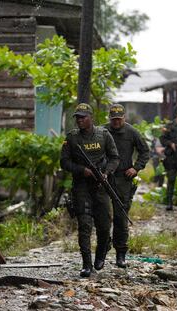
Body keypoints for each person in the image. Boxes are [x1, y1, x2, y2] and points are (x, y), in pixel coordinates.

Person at [60, 103, 119, 278]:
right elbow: (64, 162)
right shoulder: (71, 138)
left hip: (101, 187)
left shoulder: (104, 135)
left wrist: (106, 173)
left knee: (104, 225)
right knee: (84, 225)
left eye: (83, 117)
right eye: (77, 117)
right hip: (81, 187)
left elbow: (114, 158)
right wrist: (82, 170)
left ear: (90, 118)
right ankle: (87, 264)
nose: (79, 120)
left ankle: (101, 254)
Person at [104, 104, 149, 268]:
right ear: (109, 119)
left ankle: (120, 253)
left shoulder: (132, 132)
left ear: (124, 118)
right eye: (113, 119)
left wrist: (136, 168)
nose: (116, 122)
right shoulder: (102, 131)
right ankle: (102, 250)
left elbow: (145, 151)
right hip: (104, 176)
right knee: (102, 216)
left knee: (121, 217)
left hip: (123, 177)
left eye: (119, 119)